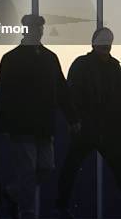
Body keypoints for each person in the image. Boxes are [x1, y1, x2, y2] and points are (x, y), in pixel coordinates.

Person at [0, 14, 78, 219]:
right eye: (35, 28)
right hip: (21, 125)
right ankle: (27, 211)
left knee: (45, 167)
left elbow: (61, 89)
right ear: (26, 29)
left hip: (43, 125)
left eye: (40, 28)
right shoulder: (12, 58)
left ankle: (13, 193)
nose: (38, 31)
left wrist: (72, 118)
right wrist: (1, 124)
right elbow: (3, 93)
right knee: (28, 170)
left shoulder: (50, 58)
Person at [57, 27, 121, 218]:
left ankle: (61, 206)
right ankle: (61, 205)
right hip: (93, 127)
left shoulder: (100, 66)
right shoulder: (107, 66)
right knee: (72, 167)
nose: (105, 47)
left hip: (99, 127)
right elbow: (73, 94)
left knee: (72, 167)